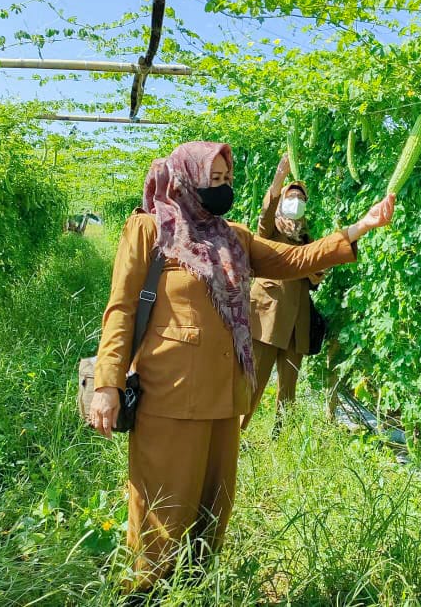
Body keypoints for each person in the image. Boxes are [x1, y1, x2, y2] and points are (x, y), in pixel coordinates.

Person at [88, 141, 395, 600]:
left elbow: (292, 260)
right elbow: (121, 309)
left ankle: (195, 591)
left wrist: (357, 229)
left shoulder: (234, 236)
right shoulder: (150, 228)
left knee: (213, 511)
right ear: (186, 176)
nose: (222, 187)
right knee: (161, 512)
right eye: (213, 179)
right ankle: (144, 592)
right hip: (167, 397)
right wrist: (107, 385)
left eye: (227, 180)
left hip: (224, 399)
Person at [244, 154, 322, 434]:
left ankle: (282, 436)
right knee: (253, 381)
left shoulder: (306, 238)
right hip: (267, 317)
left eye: (301, 198)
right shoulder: (270, 231)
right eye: (293, 196)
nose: (297, 201)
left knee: (288, 389)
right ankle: (235, 434)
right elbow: (266, 213)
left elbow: (316, 277)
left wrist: (316, 273)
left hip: (296, 323)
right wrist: (279, 179)